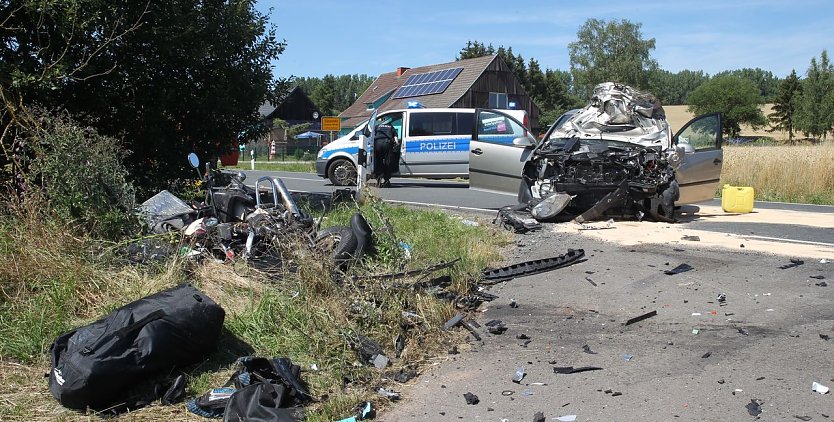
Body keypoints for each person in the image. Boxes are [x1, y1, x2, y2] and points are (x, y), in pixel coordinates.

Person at [373, 121, 398, 188]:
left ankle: (378, 179)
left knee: (378, 161)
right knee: (387, 161)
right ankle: (386, 180)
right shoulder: (391, 127)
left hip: (377, 143)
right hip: (387, 143)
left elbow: (372, 136)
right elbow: (396, 140)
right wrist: (396, 146)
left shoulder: (377, 126)